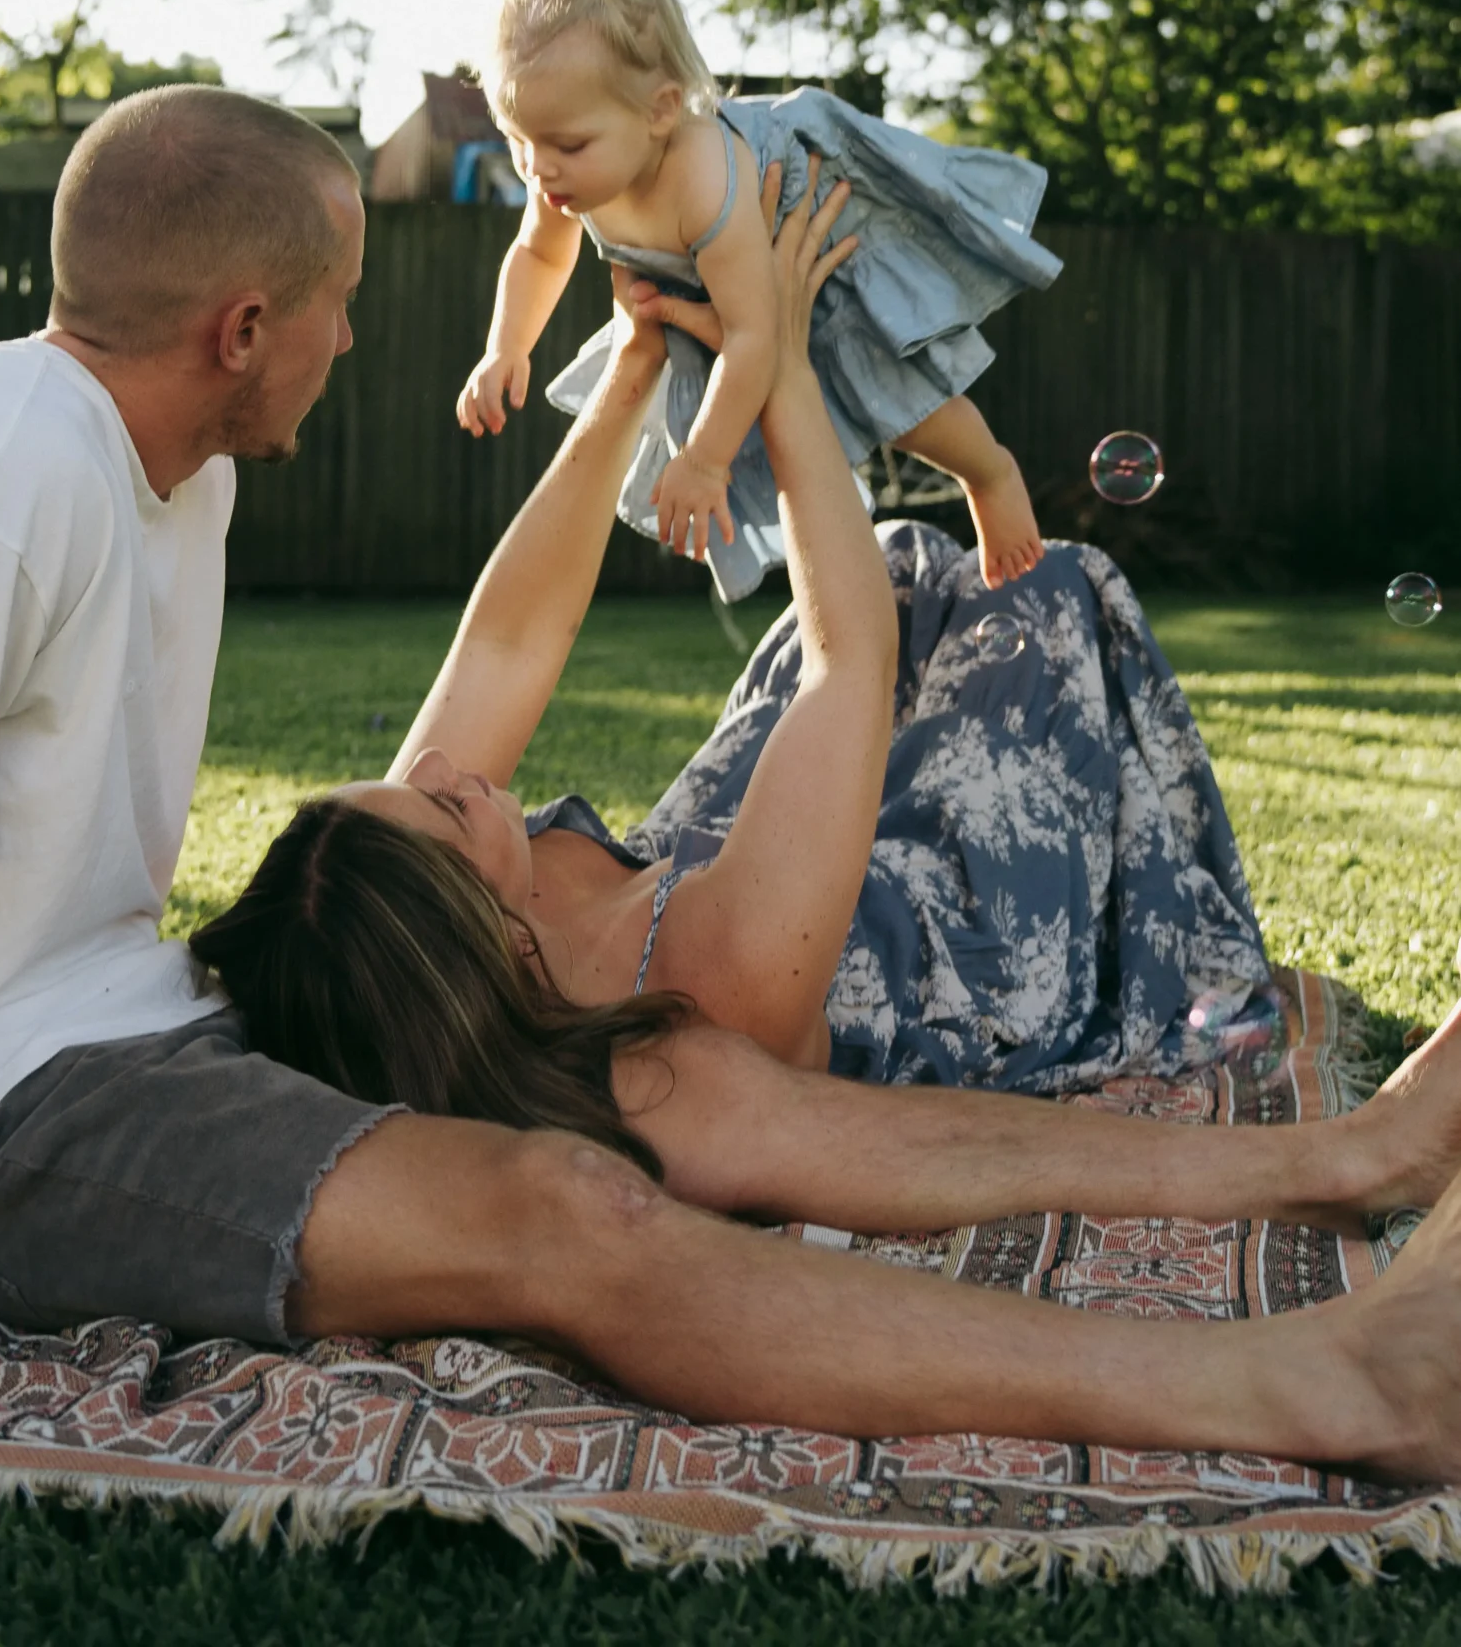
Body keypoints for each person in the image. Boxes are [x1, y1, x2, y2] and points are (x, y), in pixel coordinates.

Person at [0, 83, 1461, 1489]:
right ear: (244, 324)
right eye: (342, 305)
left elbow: (491, 667)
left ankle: (1346, 1167)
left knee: (673, 1087)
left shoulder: (164, 475)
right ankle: (1324, 1389)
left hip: (126, 1018)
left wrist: (655, 365)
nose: (355, 340)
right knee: (558, 1205)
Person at [195, 161, 1272, 1107]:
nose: (434, 762)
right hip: (936, 921)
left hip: (746, 842)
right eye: (433, 797)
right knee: (1044, 602)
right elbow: (848, 662)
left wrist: (633, 360)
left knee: (901, 566)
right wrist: (782, 355)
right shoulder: (713, 995)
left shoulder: (403, 888)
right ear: (488, 939)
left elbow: (504, 645)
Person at [456, 0, 1058, 599]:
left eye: (566, 145)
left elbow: (752, 336)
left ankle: (991, 473)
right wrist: (505, 348)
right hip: (722, 287)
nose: (537, 169)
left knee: (891, 392)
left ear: (660, 111)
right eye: (518, 140)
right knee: (766, 415)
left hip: (809, 242)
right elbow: (541, 253)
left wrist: (706, 462)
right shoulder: (562, 175)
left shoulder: (701, 178)